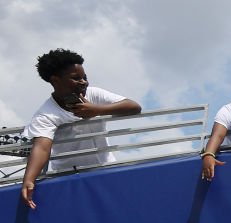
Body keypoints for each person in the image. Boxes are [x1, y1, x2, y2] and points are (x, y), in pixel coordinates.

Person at [20, 48, 141, 209]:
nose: (84, 82)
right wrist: (29, 180)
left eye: (84, 77)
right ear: (55, 80)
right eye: (76, 78)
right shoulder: (45, 114)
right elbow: (42, 147)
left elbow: (134, 107)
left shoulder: (94, 94)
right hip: (70, 176)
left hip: (106, 168)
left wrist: (97, 110)